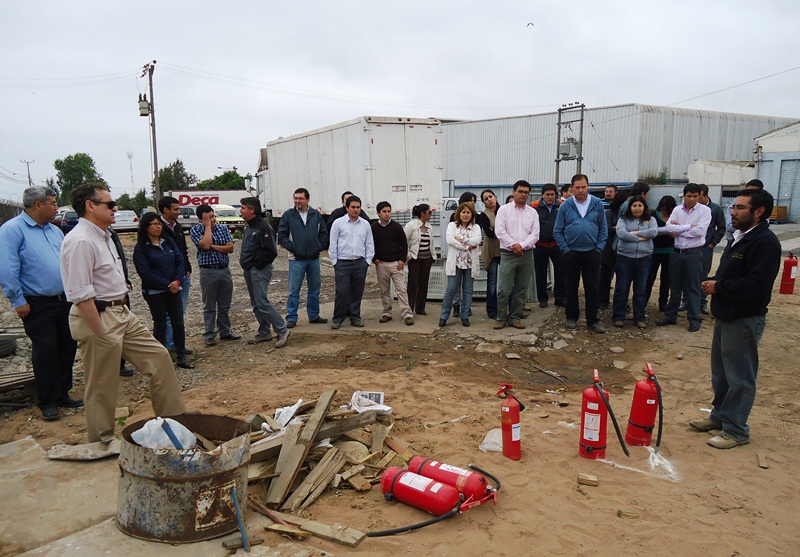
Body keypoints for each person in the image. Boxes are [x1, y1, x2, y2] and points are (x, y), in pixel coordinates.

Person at [60, 183, 185, 442]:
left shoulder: (104, 235)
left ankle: (175, 426)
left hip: (121, 313)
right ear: (90, 206)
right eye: (109, 204)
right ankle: (102, 442)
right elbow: (80, 292)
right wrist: (99, 330)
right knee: (102, 384)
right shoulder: (81, 240)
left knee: (159, 358)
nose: (115, 208)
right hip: (98, 315)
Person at [694, 189, 781, 449]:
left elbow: (757, 285)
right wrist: (717, 283)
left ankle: (736, 431)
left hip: (744, 318)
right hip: (726, 315)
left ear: (759, 212)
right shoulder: (741, 237)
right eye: (733, 207)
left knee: (740, 377)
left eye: (741, 208)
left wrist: (719, 287)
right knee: (721, 375)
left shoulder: (765, 243)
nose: (733, 212)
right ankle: (720, 417)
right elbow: (733, 274)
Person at [0, 186, 79, 421]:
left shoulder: (54, 230)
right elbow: (7, 268)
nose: (56, 207)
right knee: (45, 351)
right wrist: (18, 300)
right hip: (37, 303)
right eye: (53, 203)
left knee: (67, 347)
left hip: (64, 300)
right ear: (38, 205)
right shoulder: (12, 230)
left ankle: (63, 392)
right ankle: (48, 400)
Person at [132, 213, 194, 369]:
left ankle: (181, 356)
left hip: (174, 289)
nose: (158, 227)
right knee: (160, 324)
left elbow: (180, 262)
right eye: (154, 224)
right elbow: (145, 273)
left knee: (178, 323)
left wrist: (177, 281)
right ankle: (160, 359)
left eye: (159, 224)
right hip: (155, 292)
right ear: (146, 227)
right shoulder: (141, 248)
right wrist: (168, 284)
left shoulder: (168, 243)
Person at [553, 174, 608, 333]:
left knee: (592, 287)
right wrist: (566, 249)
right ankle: (571, 317)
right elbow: (558, 231)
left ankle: (593, 320)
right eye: (577, 187)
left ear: (588, 186)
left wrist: (598, 248)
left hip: (592, 252)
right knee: (571, 286)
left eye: (583, 187)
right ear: (571, 188)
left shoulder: (597, 204)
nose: (580, 190)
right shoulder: (565, 206)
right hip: (571, 253)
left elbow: (603, 229)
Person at [656, 183, 711, 332]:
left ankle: (694, 318)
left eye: (695, 196)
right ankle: (670, 315)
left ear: (699, 196)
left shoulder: (705, 211)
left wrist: (678, 229)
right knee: (675, 286)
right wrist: (688, 227)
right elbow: (669, 228)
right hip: (676, 253)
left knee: (693, 287)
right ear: (684, 196)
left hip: (693, 253)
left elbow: (700, 231)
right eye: (689, 196)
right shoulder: (676, 210)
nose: (692, 199)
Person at [239, 197, 291, 347]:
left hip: (259, 270)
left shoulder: (263, 227)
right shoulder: (249, 226)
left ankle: (282, 329)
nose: (240, 211)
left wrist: (256, 265)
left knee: (262, 302)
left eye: (243, 208)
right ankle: (264, 332)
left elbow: (271, 251)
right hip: (249, 270)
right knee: (256, 303)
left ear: (252, 210)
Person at [277, 188, 329, 328]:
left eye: (300, 198)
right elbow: (282, 235)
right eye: (295, 198)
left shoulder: (315, 215)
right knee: (294, 290)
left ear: (307, 199)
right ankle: (291, 318)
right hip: (296, 259)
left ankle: (314, 315)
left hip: (313, 259)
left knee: (314, 289)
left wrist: (318, 247)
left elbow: (323, 233)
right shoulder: (288, 215)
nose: (297, 201)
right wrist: (294, 248)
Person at [190, 204, 240, 346]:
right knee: (209, 305)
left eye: (213, 216)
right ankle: (209, 334)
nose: (212, 220)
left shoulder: (222, 228)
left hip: (224, 269)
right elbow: (205, 245)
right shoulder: (195, 230)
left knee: (224, 304)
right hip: (208, 271)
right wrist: (207, 228)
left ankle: (225, 331)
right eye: (208, 218)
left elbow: (230, 248)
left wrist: (213, 246)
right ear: (200, 219)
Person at [494, 180, 539, 330]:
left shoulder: (532, 212)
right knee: (504, 289)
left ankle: (514, 317)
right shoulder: (504, 210)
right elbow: (500, 232)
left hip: (526, 255)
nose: (523, 194)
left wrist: (522, 246)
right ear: (513, 192)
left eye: (526, 192)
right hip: (508, 254)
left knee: (521, 289)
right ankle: (501, 317)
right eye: (520, 191)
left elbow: (535, 234)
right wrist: (514, 246)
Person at [329, 195, 374, 329]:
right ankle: (338, 318)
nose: (355, 210)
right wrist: (335, 262)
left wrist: (367, 261)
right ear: (347, 207)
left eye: (358, 207)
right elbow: (333, 244)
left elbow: (369, 244)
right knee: (342, 292)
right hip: (342, 263)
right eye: (353, 207)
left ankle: (355, 317)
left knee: (357, 292)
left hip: (360, 263)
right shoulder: (338, 223)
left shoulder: (365, 224)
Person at [612, 196, 657, 329]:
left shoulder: (651, 220)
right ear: (630, 207)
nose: (637, 208)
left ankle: (640, 318)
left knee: (641, 289)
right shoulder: (623, 219)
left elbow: (653, 232)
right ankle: (618, 317)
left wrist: (634, 233)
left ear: (644, 207)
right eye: (634, 206)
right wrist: (640, 238)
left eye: (640, 205)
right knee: (622, 288)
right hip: (625, 257)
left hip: (644, 258)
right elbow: (621, 234)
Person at [158, 196, 193, 355]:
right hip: (168, 278)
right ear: (166, 210)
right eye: (176, 209)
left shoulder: (177, 226)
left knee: (180, 311)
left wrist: (187, 267)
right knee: (166, 314)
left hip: (182, 275)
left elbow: (183, 249)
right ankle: (165, 348)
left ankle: (176, 345)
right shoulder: (157, 227)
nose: (179, 212)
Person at [439, 202, 482, 327]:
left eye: (468, 212)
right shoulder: (452, 225)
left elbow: (477, 240)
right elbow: (450, 240)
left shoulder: (476, 227)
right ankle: (444, 316)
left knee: (467, 291)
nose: (466, 215)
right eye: (463, 212)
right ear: (459, 213)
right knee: (451, 289)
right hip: (456, 263)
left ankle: (464, 316)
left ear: (472, 214)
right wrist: (467, 246)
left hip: (470, 264)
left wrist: (461, 239)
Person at [371, 201, 413, 325]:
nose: (387, 214)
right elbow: (369, 244)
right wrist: (374, 259)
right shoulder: (374, 228)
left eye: (389, 211)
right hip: (381, 264)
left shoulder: (396, 227)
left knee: (401, 289)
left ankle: (407, 314)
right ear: (378, 213)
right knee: (384, 290)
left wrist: (402, 260)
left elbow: (404, 244)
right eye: (384, 211)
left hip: (396, 264)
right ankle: (387, 313)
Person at [531, 183, 565, 308]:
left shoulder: (562, 206)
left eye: (552, 194)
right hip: (540, 244)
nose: (550, 197)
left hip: (557, 244)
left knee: (561, 272)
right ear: (542, 195)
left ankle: (560, 298)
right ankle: (543, 298)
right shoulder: (534, 207)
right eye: (547, 195)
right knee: (540, 272)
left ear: (556, 195)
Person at [698, 184, 727, 315]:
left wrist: (713, 243)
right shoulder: (691, 208)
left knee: (704, 274)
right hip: (692, 247)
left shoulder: (715, 209)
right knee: (689, 274)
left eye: (700, 197)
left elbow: (721, 227)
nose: (697, 200)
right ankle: (687, 300)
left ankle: (702, 302)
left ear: (706, 196)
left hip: (706, 247)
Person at [646, 195, 677, 312]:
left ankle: (663, 302)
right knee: (650, 277)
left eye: (667, 209)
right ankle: (644, 300)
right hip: (654, 251)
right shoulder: (653, 216)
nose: (665, 211)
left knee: (666, 278)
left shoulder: (675, 217)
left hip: (670, 251)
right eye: (663, 208)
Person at [405, 204, 437, 315]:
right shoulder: (411, 225)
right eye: (429, 212)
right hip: (415, 259)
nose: (431, 214)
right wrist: (408, 256)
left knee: (424, 284)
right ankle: (409, 309)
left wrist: (433, 257)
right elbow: (404, 242)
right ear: (423, 214)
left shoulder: (429, 227)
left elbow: (431, 243)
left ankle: (420, 308)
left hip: (427, 259)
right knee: (413, 284)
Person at [477, 189, 502, 318]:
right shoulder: (483, 215)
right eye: (486, 199)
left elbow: (509, 228)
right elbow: (489, 233)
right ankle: (492, 310)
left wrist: (496, 230)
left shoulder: (503, 211)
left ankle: (509, 308)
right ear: (484, 203)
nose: (489, 200)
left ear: (495, 197)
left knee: (508, 281)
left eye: (490, 196)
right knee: (492, 281)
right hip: (491, 251)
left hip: (505, 250)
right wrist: (500, 231)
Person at [725, 179, 763, 244]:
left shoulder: (761, 210)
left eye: (741, 208)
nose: (733, 213)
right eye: (748, 191)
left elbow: (761, 227)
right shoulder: (731, 207)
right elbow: (729, 226)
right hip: (732, 240)